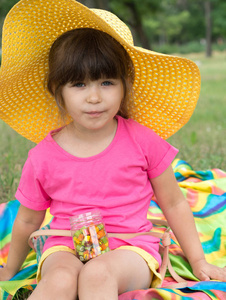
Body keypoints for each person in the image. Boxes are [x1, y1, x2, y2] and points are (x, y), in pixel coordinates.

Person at [0, 0, 225, 299]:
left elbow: (173, 203)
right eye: (79, 84)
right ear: (58, 90)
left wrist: (198, 261)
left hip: (130, 248)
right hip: (64, 245)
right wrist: (9, 269)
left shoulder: (141, 141)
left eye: (106, 82)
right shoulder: (43, 156)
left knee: (97, 274)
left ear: (124, 85)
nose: (94, 97)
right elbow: (28, 219)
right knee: (60, 280)